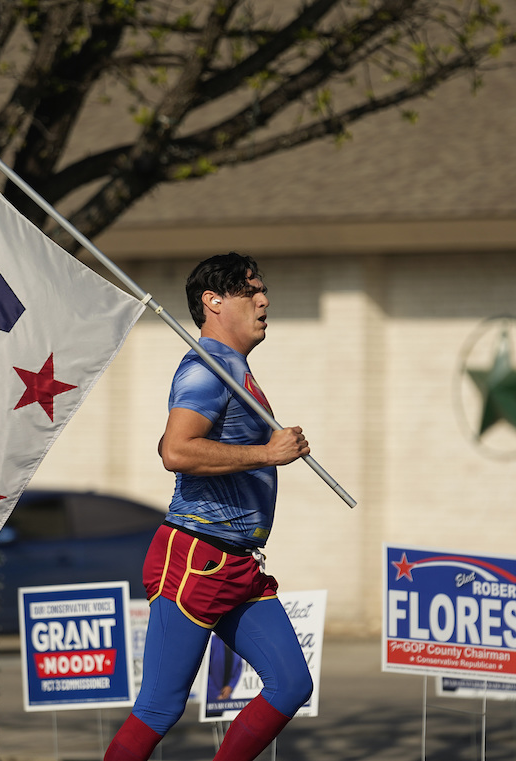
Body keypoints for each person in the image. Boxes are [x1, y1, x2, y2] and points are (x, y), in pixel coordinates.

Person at [104, 252, 313, 761]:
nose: (264, 300)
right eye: (250, 291)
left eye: (264, 290)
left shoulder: (233, 370)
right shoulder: (206, 369)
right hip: (197, 558)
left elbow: (168, 445)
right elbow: (177, 451)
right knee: (159, 708)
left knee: (290, 684)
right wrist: (268, 452)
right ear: (213, 302)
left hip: (237, 563)